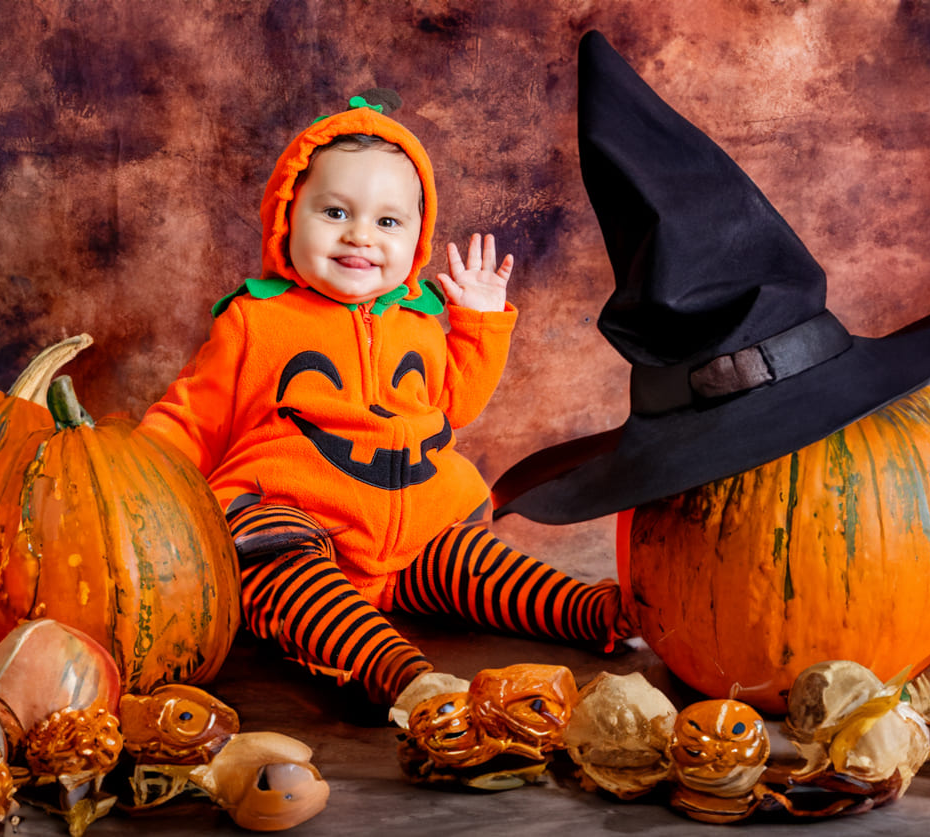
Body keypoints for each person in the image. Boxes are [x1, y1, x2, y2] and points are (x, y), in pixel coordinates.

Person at [137, 89, 630, 714]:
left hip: (416, 534)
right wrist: (134, 491)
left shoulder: (420, 321)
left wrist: (476, 325)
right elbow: (189, 420)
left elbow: (456, 404)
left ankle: (590, 611)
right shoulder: (254, 321)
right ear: (289, 217)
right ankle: (392, 668)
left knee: (475, 561)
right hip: (295, 522)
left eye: (387, 222)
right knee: (272, 565)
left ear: (417, 239)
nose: (360, 237)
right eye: (335, 213)